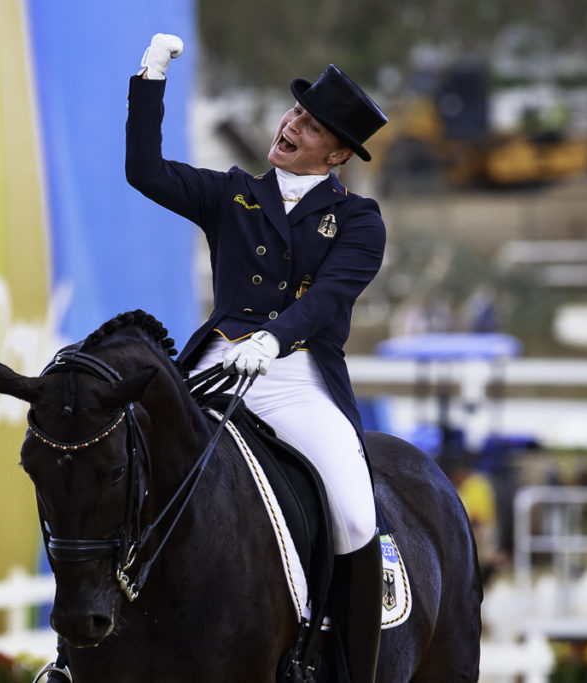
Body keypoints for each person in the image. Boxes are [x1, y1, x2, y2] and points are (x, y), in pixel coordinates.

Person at [125, 33, 389, 683]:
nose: (291, 124)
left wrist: (274, 340)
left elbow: (329, 298)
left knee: (355, 510)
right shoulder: (232, 194)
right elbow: (145, 171)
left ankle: (349, 668)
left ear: (337, 153)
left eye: (311, 125)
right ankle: (90, 646)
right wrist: (149, 79)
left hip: (296, 373)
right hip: (214, 364)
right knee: (122, 462)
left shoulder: (358, 220)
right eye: (295, 113)